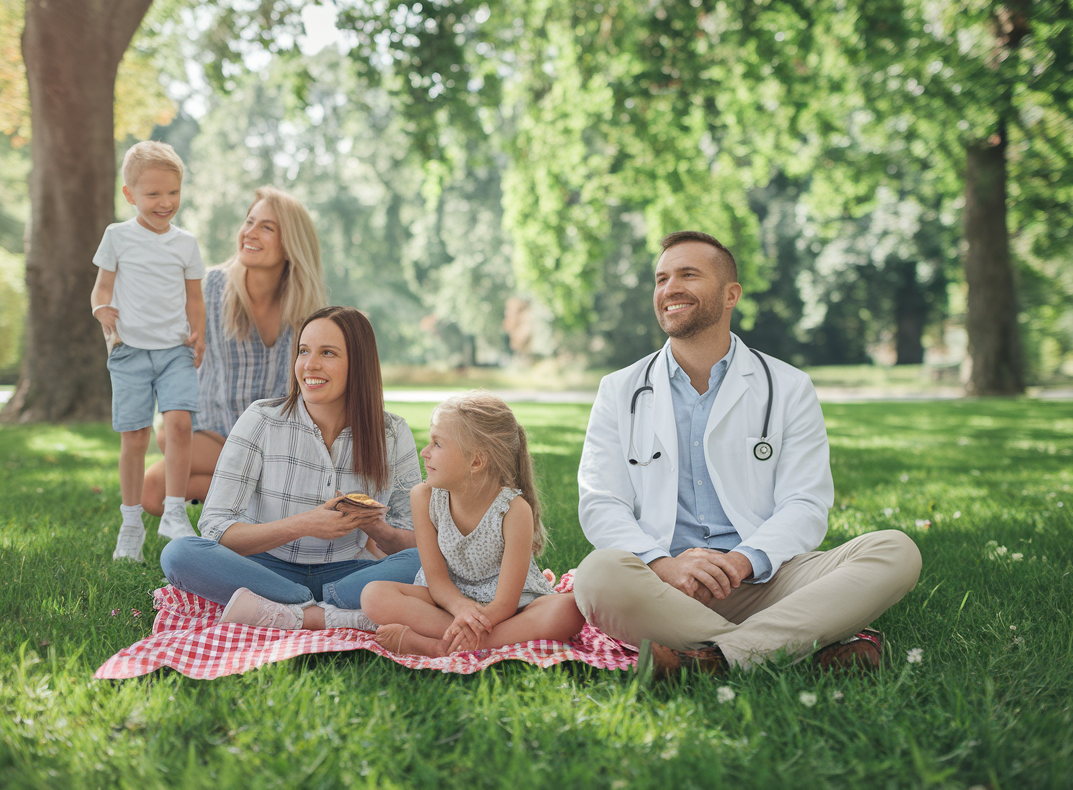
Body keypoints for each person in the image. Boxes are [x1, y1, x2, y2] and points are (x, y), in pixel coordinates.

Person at [572, 231, 922, 677]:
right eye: (661, 279)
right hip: (664, 584)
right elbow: (602, 504)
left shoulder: (788, 387)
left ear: (730, 294)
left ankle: (714, 660)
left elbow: (806, 504)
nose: (669, 289)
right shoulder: (619, 390)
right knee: (598, 574)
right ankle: (799, 645)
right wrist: (664, 565)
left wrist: (743, 560)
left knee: (895, 551)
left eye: (688, 275)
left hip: (766, 578)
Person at [159, 306, 423, 630]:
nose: (310, 365)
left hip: (347, 574)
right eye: (303, 351)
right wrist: (305, 524)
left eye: (328, 353)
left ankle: (291, 613)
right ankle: (328, 615)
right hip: (266, 571)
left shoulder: (392, 433)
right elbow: (215, 529)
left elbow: (412, 540)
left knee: (427, 560)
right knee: (179, 553)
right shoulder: (262, 419)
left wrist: (374, 526)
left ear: (359, 365)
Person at [141, 186, 327, 519]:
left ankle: (252, 494)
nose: (249, 233)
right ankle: (260, 494)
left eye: (266, 227)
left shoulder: (309, 310)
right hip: (213, 431)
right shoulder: (210, 288)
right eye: (249, 222)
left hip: (276, 444)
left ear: (291, 244)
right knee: (152, 491)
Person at [362, 392, 585, 656]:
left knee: (571, 610)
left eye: (437, 444)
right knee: (374, 595)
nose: (425, 452)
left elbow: (505, 603)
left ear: (476, 461)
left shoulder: (514, 511)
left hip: (509, 609)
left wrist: (478, 616)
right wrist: (461, 608)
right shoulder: (424, 498)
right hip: (446, 600)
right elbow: (435, 579)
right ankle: (473, 642)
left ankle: (440, 646)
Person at [90, 140, 206, 561]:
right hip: (130, 352)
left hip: (175, 349)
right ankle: (131, 523)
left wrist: (200, 334)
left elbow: (195, 298)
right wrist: (101, 309)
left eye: (172, 192)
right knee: (135, 436)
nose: (164, 202)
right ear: (130, 195)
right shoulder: (117, 237)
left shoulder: (185, 244)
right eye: (153, 194)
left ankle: (175, 513)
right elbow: (101, 289)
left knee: (179, 424)